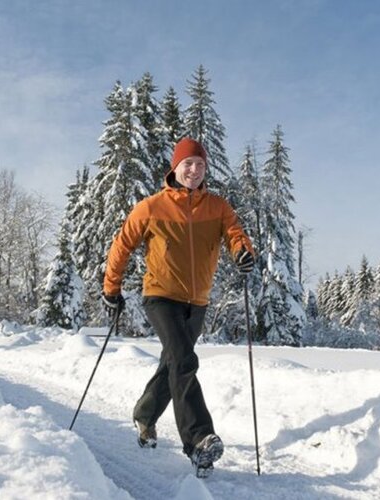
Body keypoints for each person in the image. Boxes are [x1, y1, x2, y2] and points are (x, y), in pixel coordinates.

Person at [101, 137, 255, 477]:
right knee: (184, 361)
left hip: (197, 301)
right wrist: (111, 288)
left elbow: (234, 232)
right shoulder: (152, 207)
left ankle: (145, 415)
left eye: (200, 165)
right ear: (175, 167)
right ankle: (199, 439)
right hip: (160, 296)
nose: (195, 170)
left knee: (173, 360)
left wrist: (243, 251)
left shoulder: (216, 206)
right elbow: (123, 244)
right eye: (188, 164)